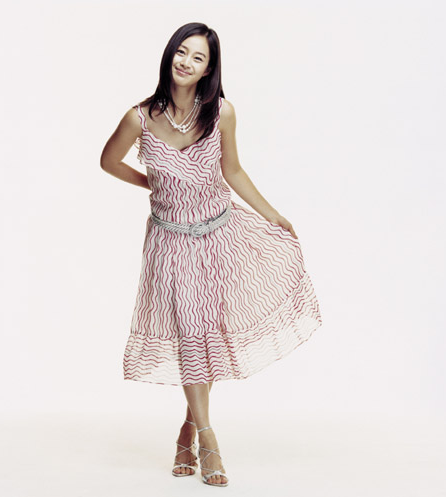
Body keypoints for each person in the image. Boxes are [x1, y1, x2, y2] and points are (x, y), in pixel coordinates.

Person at [100, 22, 323, 488]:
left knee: (207, 334)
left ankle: (186, 428)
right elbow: (109, 161)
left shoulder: (222, 113)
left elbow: (233, 171)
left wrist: (273, 214)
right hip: (170, 242)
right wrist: (152, 183)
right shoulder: (139, 118)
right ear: (169, 55)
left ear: (208, 69)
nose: (186, 62)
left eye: (197, 57)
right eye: (181, 52)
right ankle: (208, 436)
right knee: (189, 334)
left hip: (219, 234)